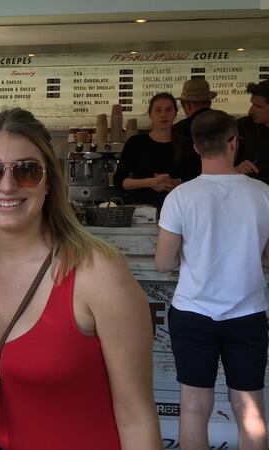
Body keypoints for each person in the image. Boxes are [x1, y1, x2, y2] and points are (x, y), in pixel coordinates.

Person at [0, 108, 161, 449]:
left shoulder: (97, 271)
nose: (8, 185)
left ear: (49, 183)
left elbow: (137, 416)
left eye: (27, 171)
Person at [155, 110, 269, 450]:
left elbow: (163, 263)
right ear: (234, 142)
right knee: (249, 408)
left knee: (193, 406)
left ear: (195, 147)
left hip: (192, 313)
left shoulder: (180, 197)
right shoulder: (263, 193)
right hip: (247, 313)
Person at [113, 92, 184, 210]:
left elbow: (196, 179)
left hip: (178, 209)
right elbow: (119, 181)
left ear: (175, 113)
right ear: (150, 114)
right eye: (158, 110)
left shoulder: (185, 144)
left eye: (168, 110)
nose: (163, 115)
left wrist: (176, 182)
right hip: (142, 211)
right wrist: (150, 182)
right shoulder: (136, 142)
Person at [171, 79, 218, 180]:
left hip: (188, 185)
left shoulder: (178, 129)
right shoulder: (226, 123)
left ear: (188, 105)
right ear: (209, 102)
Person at [234, 79, 269, 184]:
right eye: (252, 104)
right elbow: (216, 168)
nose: (250, 111)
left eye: (258, 106)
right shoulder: (240, 127)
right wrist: (235, 170)